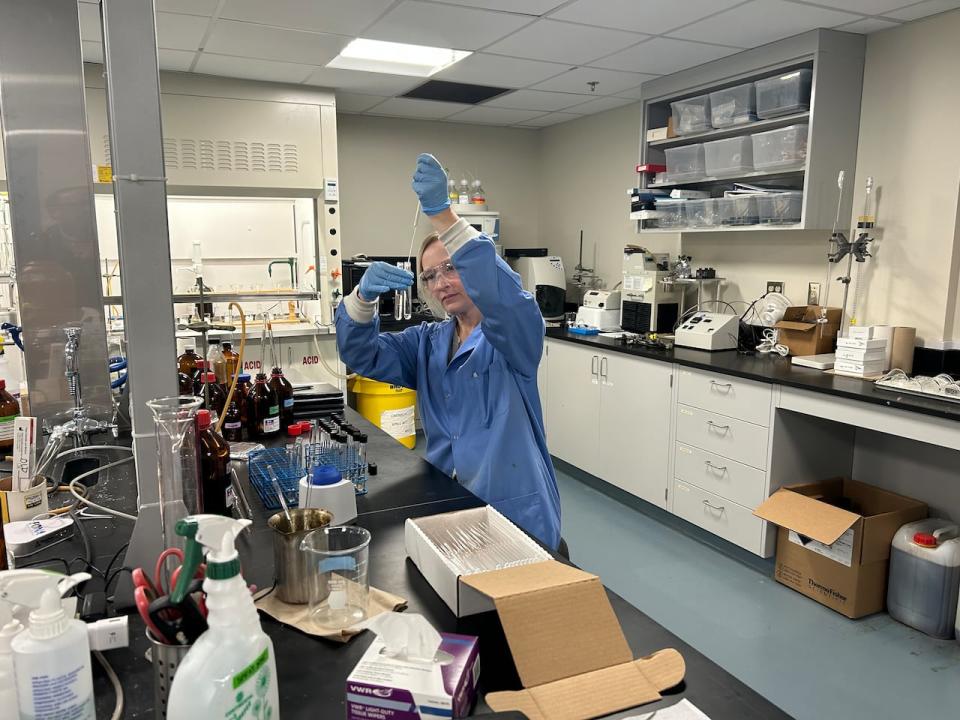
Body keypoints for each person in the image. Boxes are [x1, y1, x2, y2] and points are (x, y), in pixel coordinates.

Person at [335, 153, 561, 550]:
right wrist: (362, 299)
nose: (441, 283)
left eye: (452, 268)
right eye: (430, 275)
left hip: (513, 509)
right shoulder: (427, 341)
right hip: (445, 502)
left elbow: (504, 298)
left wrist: (443, 216)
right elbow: (361, 354)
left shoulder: (512, 337)